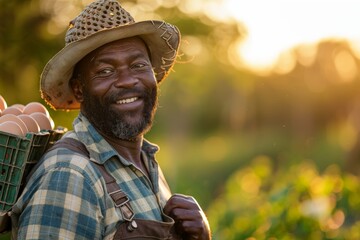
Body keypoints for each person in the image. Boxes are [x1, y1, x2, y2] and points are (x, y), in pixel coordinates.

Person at [10, 0, 211, 239]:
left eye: (138, 65)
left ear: (154, 76)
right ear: (79, 90)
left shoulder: (144, 161)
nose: (127, 80)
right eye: (105, 71)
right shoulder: (71, 175)